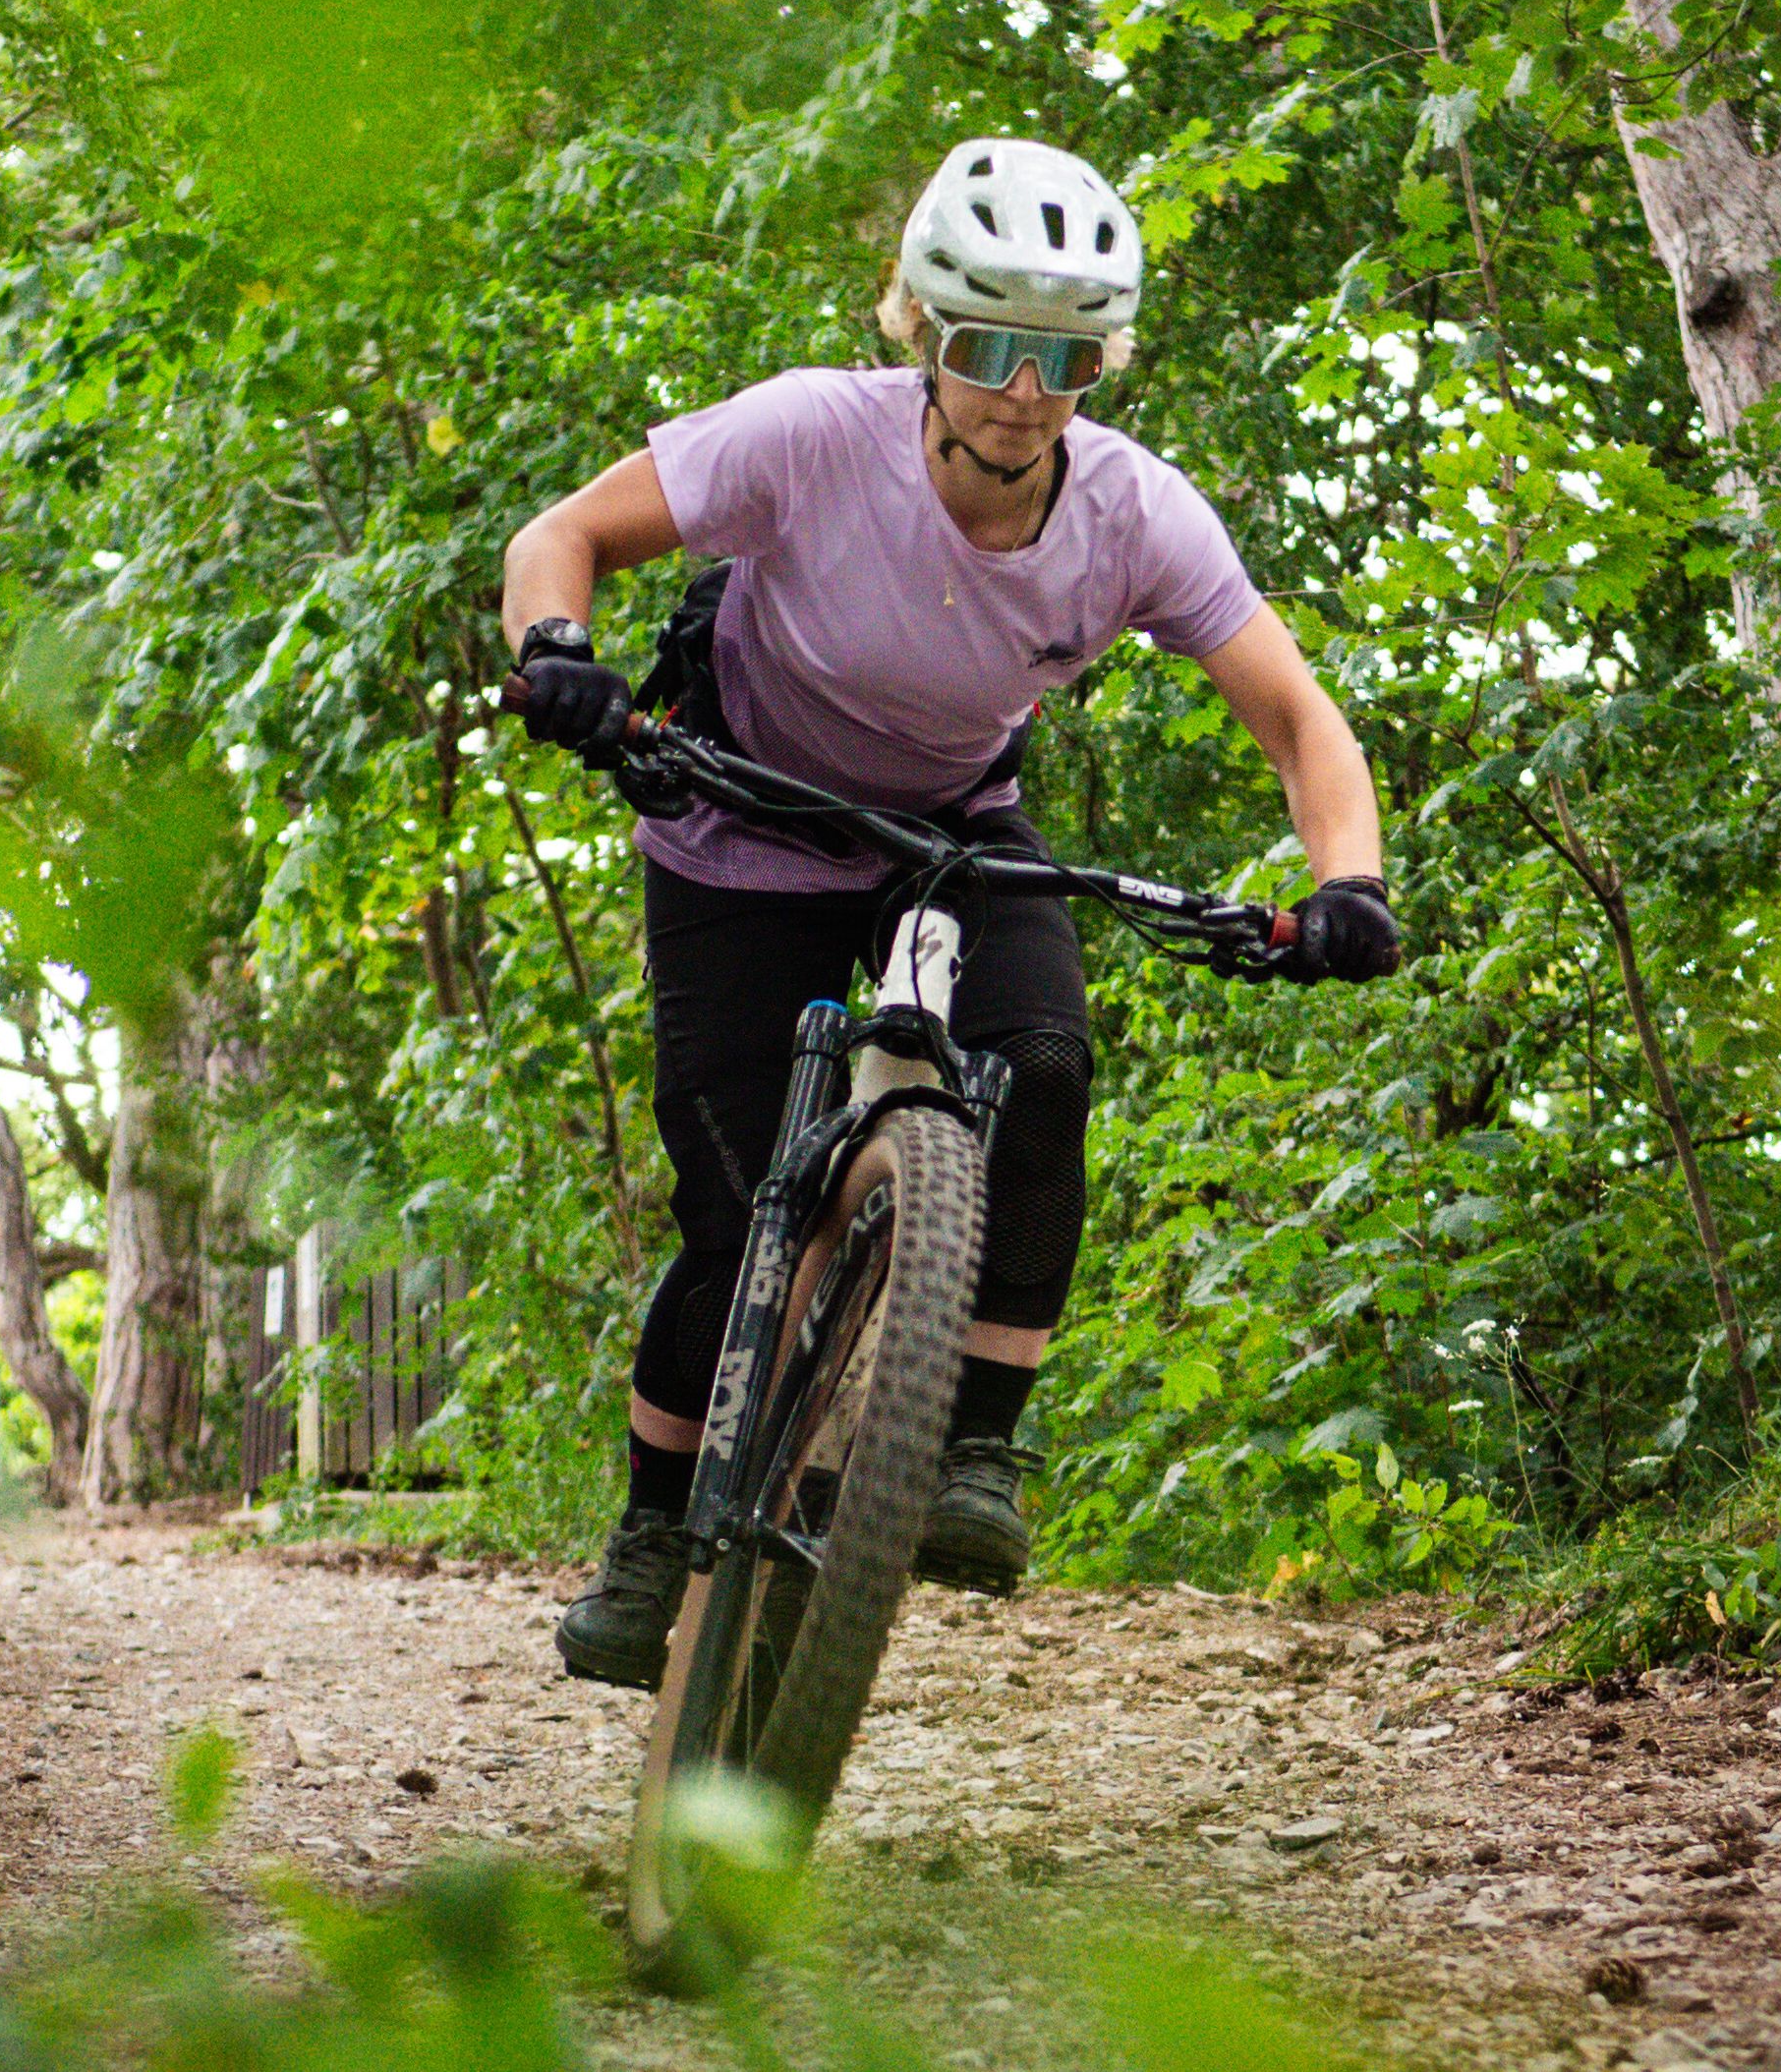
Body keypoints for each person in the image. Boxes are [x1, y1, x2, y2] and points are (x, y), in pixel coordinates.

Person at [499, 138, 1398, 1692]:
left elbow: (1301, 720)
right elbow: (555, 540)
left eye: (1062, 358)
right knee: (729, 1223)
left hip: (951, 830)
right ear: (919, 326)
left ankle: (974, 1442)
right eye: (988, 346)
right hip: (738, 822)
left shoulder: (1135, 515)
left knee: (1043, 1066)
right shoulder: (806, 434)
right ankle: (653, 1534)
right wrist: (560, 648)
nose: (1022, 392)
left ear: (1100, 363)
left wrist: (1348, 885)